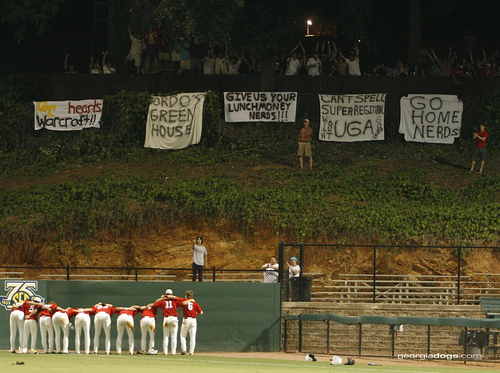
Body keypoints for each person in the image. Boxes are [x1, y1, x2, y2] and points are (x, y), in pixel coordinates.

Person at [153, 289, 192, 355]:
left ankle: (165, 352)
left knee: (165, 336)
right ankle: (173, 352)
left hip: (166, 319)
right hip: (174, 318)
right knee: (174, 336)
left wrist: (161, 298)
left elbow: (155, 304)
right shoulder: (175, 301)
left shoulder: (163, 301)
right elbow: (183, 301)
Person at [180, 290, 203, 355]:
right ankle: (191, 351)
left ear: (186, 296)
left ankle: (184, 350)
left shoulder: (185, 301)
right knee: (192, 336)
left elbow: (182, 303)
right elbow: (201, 312)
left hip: (186, 319)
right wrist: (195, 312)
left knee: (183, 336)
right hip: (193, 320)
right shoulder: (195, 303)